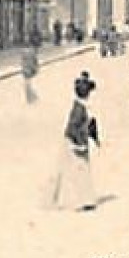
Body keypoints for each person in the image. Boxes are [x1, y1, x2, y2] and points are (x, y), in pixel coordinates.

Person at [46, 75, 101, 211]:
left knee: (70, 170)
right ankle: (83, 201)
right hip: (74, 143)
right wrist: (79, 144)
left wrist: (94, 138)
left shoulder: (80, 106)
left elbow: (89, 125)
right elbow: (74, 127)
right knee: (78, 170)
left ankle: (59, 199)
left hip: (74, 141)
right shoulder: (79, 109)